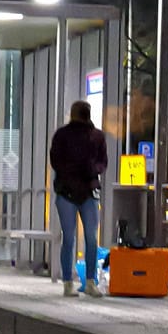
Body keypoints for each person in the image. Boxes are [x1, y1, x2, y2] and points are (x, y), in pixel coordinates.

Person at [49, 100, 107, 297]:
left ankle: (67, 283)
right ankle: (90, 282)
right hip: (89, 191)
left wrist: (69, 174)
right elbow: (102, 163)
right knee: (91, 239)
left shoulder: (61, 135)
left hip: (66, 192)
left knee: (69, 238)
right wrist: (90, 171)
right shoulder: (97, 136)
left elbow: (55, 161)